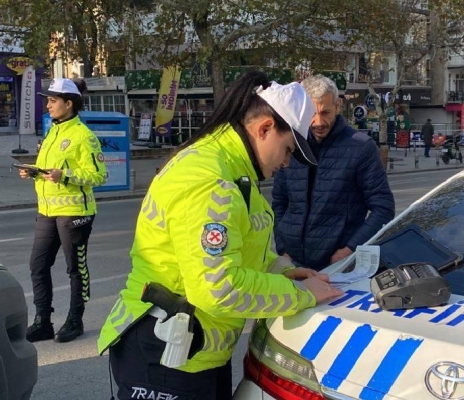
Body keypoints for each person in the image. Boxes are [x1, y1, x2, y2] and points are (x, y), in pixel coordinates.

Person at [97, 71, 344, 400]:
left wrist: (280, 270)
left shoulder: (235, 173)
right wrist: (302, 294)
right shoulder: (210, 179)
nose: (287, 163)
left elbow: (238, 251)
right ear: (265, 128)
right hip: (164, 354)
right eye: (288, 150)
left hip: (193, 350)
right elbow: (218, 287)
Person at [272, 75, 395, 270]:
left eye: (325, 112)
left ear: (338, 106)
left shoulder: (361, 147)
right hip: (291, 262)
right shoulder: (291, 143)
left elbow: (383, 208)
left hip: (336, 264)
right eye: (312, 113)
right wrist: (282, 247)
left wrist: (349, 249)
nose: (318, 122)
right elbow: (279, 203)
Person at [21, 78, 107, 343]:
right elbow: (50, 172)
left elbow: (99, 175)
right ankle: (42, 321)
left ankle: (75, 320)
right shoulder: (52, 132)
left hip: (75, 213)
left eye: (53, 100)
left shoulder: (84, 136)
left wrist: (65, 175)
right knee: (37, 265)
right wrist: (34, 173)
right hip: (47, 211)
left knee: (75, 269)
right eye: (48, 100)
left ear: (68, 104)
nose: (48, 105)